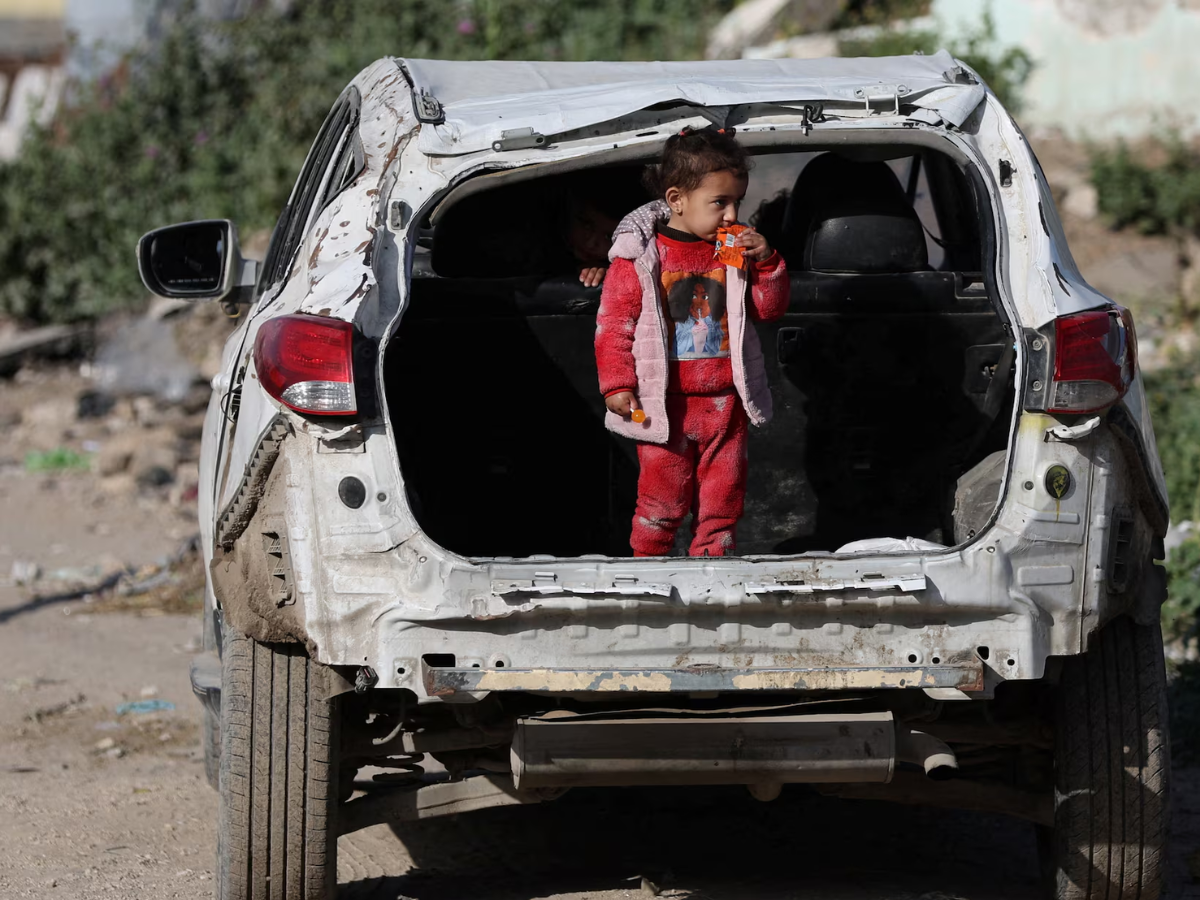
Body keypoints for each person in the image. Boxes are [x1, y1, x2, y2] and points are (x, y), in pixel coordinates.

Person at [594, 126, 789, 557]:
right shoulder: (641, 258)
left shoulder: (731, 250)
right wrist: (617, 385)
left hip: (725, 404)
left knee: (722, 504)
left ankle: (713, 577)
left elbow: (768, 309)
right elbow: (614, 325)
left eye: (738, 201)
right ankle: (648, 574)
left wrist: (768, 263)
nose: (732, 215)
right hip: (664, 407)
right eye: (719, 202)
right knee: (661, 504)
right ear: (676, 199)